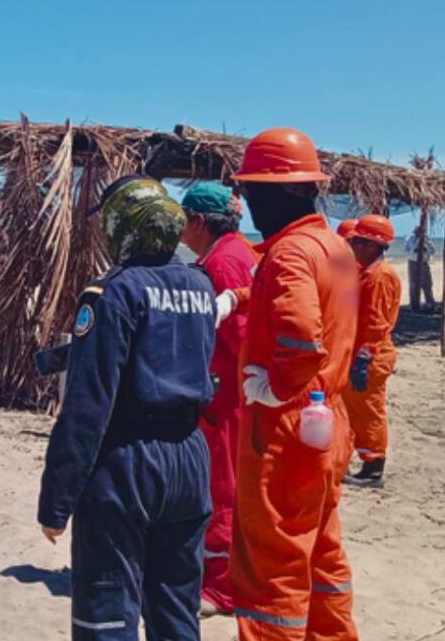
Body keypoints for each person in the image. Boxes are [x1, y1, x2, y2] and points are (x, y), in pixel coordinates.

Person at [38, 174, 215, 639]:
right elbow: (172, 349)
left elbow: (87, 405)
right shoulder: (199, 284)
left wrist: (56, 502)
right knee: (176, 610)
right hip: (190, 460)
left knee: (106, 614)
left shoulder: (113, 290)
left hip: (128, 463)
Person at [229, 127, 360, 640]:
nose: (248, 203)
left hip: (287, 427)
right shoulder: (335, 248)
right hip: (329, 422)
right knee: (321, 548)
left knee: (273, 562)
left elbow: (303, 339)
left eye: (254, 191)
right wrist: (242, 299)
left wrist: (276, 387)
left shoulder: (289, 255)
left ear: (281, 191)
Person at [179, 181, 257, 618]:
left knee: (222, 487)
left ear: (199, 222)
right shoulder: (236, 252)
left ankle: (223, 589)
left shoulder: (224, 262)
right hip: (231, 390)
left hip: (226, 393)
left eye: (184, 219)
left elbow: (242, 337)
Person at [342, 215, 401, 488]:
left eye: (356, 241)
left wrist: (364, 358)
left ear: (371, 245)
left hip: (372, 355)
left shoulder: (379, 277)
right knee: (357, 408)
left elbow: (375, 324)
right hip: (365, 352)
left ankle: (373, 467)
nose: (351, 246)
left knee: (368, 410)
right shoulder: (368, 272)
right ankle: (365, 460)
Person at [406, 224, 437, 311]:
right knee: (414, 284)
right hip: (413, 263)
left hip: (424, 263)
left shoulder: (427, 238)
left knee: (427, 284)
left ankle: (430, 303)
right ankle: (414, 305)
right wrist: (418, 242)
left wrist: (425, 243)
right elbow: (407, 251)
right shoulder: (411, 238)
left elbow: (433, 250)